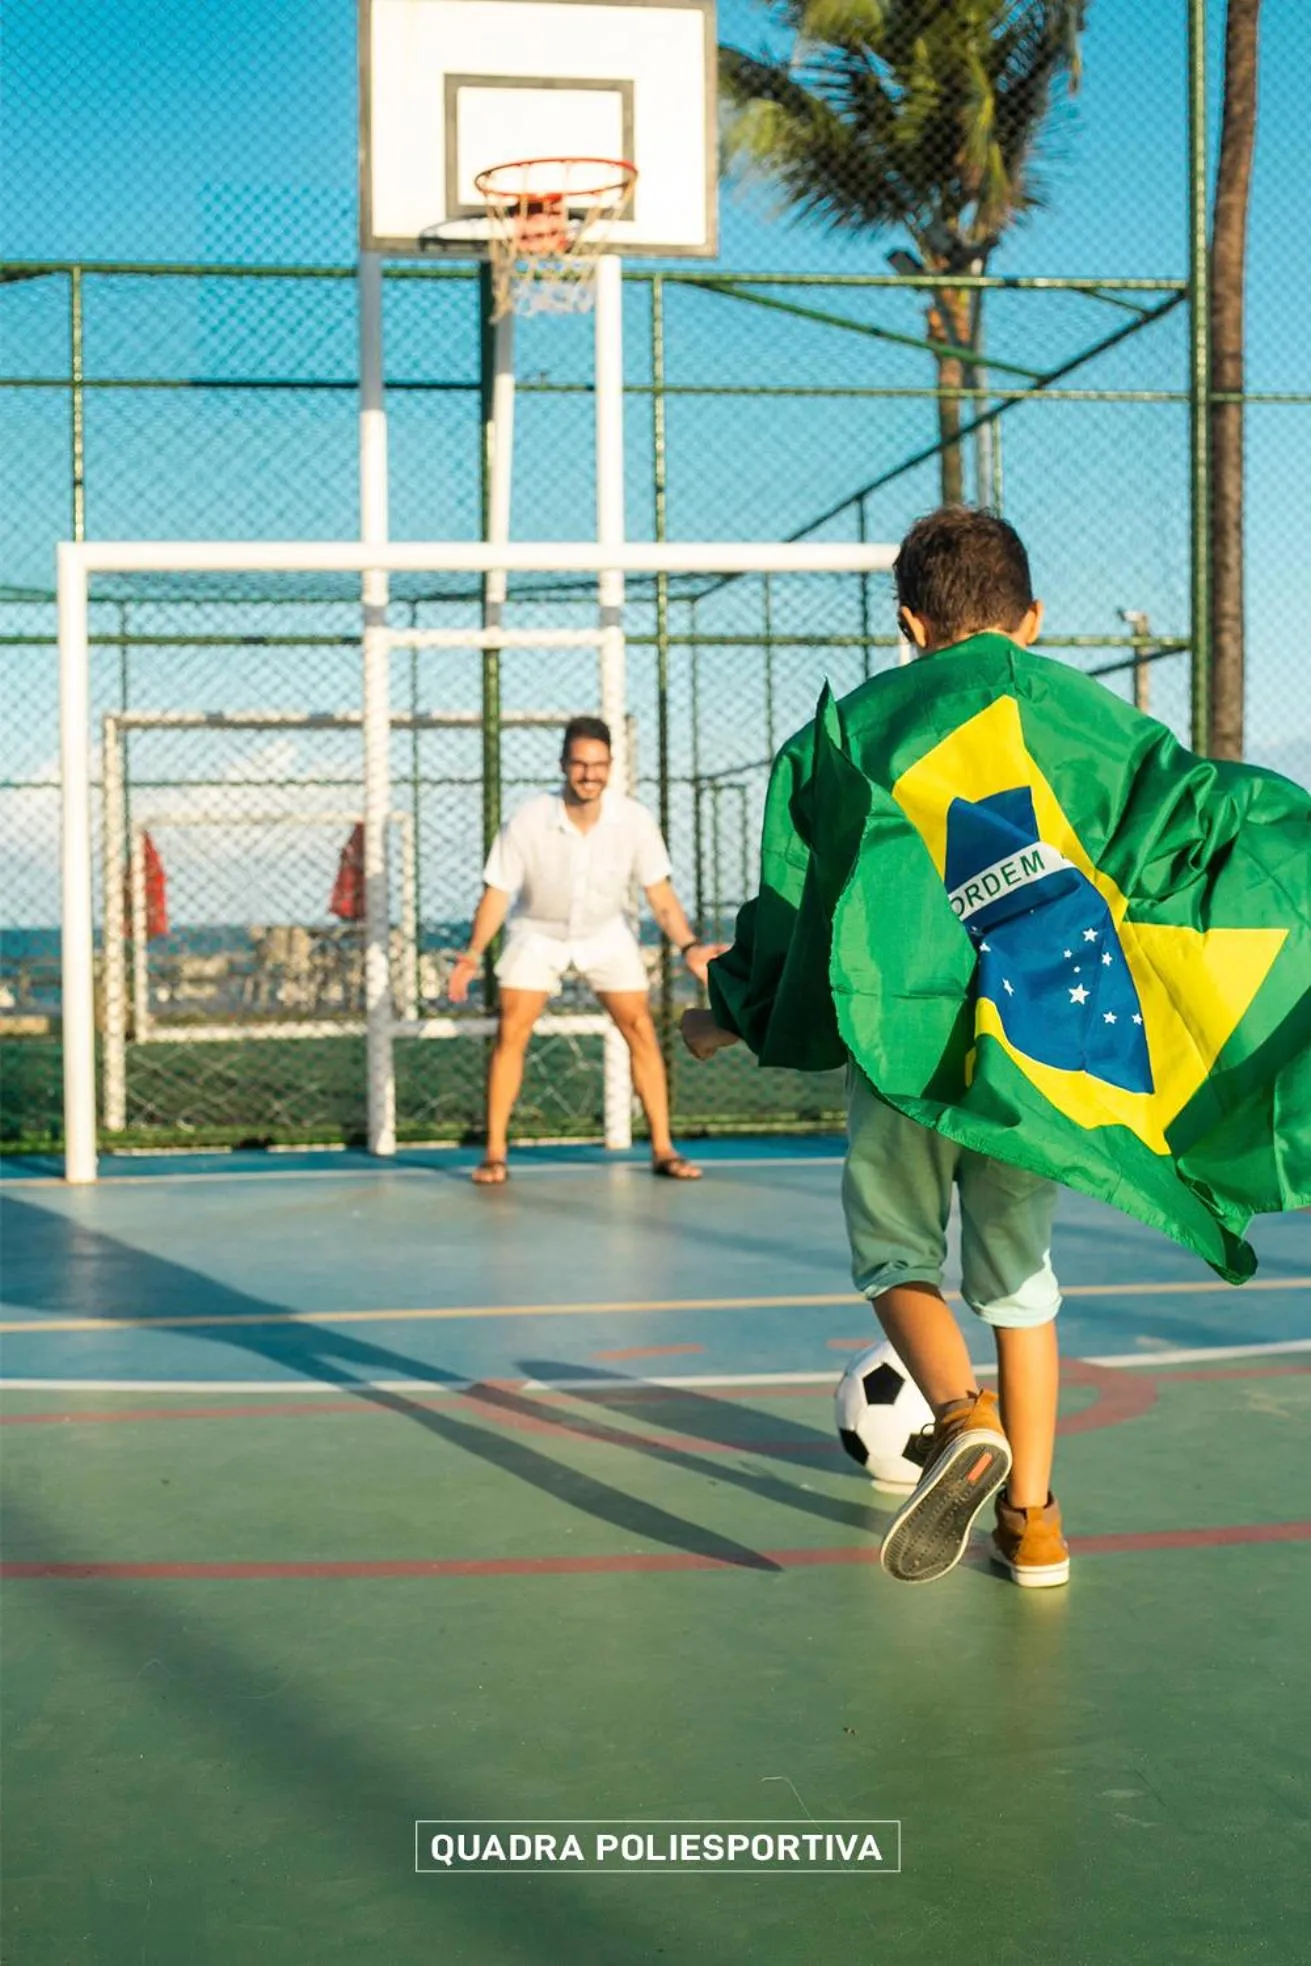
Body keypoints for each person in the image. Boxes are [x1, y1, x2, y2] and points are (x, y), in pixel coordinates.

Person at [682, 510, 1073, 1590]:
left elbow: (800, 909)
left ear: (907, 622)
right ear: (1033, 620)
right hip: (1034, 1052)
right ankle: (1034, 1528)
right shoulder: (1082, 728)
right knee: (1020, 1287)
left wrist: (732, 1010)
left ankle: (958, 1416)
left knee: (895, 1255)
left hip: (905, 1041)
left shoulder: (852, 734)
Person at [449, 715, 720, 1185]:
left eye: (598, 765)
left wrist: (691, 946)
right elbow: (497, 893)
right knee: (511, 1032)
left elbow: (660, 895)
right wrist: (473, 953)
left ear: (610, 766)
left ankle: (663, 1149)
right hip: (537, 934)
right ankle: (494, 1154)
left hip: (605, 934)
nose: (589, 774)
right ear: (563, 765)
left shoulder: (634, 821)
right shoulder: (528, 819)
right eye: (579, 764)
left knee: (640, 1029)